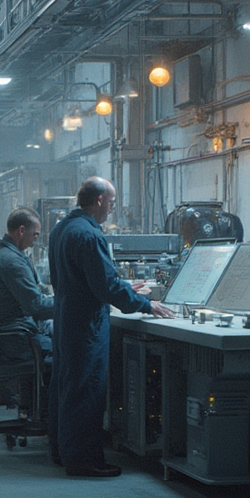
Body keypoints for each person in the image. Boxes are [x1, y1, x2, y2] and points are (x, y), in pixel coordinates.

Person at [48, 177, 174, 478]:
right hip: (87, 325)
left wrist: (126, 286)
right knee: (88, 391)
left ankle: (63, 451)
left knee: (67, 388)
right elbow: (104, 287)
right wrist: (147, 304)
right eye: (112, 203)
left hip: (68, 320)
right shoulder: (90, 236)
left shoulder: (61, 229)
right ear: (100, 200)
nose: (113, 209)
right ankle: (84, 460)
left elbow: (87, 279)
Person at [0, 207, 54, 409]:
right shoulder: (11, 261)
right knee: (71, 353)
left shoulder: (0, 254)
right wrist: (70, 301)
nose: (35, 240)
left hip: (12, 333)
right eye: (35, 235)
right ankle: (53, 418)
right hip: (19, 339)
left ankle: (40, 410)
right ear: (22, 231)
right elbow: (37, 307)